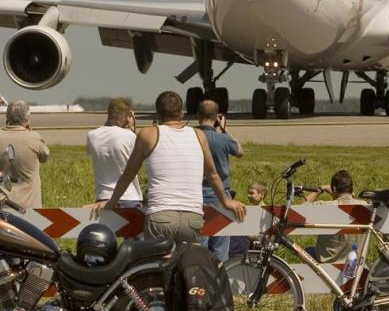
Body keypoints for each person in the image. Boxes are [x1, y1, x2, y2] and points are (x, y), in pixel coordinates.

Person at [91, 91, 246, 245]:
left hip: (161, 215)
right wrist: (226, 202)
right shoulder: (199, 135)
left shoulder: (148, 134)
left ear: (157, 114)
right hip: (192, 217)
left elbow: (128, 174)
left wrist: (111, 202)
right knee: (187, 266)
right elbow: (212, 174)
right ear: (182, 113)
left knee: (157, 266)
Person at [196, 100, 243, 262]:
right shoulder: (222, 139)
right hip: (221, 197)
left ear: (198, 115)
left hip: (196, 197)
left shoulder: (191, 136)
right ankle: (218, 283)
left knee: (199, 248)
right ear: (217, 117)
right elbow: (239, 151)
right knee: (220, 249)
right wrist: (225, 129)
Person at [0, 101, 49, 209]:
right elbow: (45, 157)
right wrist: (29, 132)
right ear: (27, 119)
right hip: (29, 205)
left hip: (1, 204)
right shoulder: (34, 137)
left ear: (7, 117)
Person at [86, 98, 143, 207]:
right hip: (129, 197)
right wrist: (133, 129)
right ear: (124, 117)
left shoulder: (91, 135)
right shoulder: (129, 136)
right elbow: (141, 156)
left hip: (103, 197)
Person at [304, 169, 366, 263]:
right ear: (352, 189)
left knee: (307, 250)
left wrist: (320, 189)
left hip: (326, 261)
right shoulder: (364, 206)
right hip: (354, 263)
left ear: (334, 189)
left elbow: (300, 209)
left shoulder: (325, 206)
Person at [228, 181, 268, 259]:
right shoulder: (249, 209)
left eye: (251, 193)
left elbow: (262, 235)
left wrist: (244, 232)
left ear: (262, 195)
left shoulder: (265, 211)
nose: (248, 195)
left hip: (257, 245)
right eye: (248, 193)